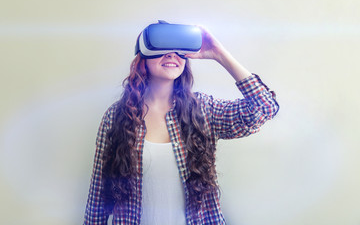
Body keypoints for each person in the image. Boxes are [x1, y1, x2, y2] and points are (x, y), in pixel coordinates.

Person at [83, 21, 279, 225]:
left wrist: (219, 53)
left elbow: (264, 107)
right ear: (143, 57)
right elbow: (98, 195)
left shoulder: (203, 109)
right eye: (162, 47)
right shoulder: (116, 116)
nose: (171, 54)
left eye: (178, 50)